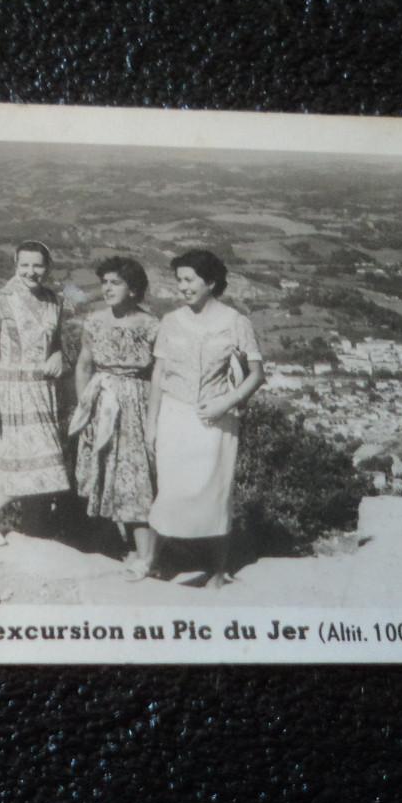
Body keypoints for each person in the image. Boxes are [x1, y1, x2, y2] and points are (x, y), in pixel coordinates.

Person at [138, 249, 265, 588]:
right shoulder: (170, 321)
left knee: (215, 494)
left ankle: (219, 571)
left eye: (189, 279)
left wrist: (227, 402)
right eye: (179, 280)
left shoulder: (236, 323)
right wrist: (151, 424)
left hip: (215, 422)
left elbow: (256, 374)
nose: (182, 287)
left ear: (210, 282)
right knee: (168, 492)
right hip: (175, 416)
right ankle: (149, 561)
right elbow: (158, 375)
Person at [0, 241, 69, 546]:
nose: (31, 271)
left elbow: (55, 346)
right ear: (15, 265)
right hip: (11, 391)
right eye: (24, 265)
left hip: (44, 392)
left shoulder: (54, 300)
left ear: (47, 267)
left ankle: (33, 537)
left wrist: (59, 357)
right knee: (34, 465)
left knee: (40, 466)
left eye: (38, 265)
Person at [72, 256, 159, 569]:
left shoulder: (151, 326)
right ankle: (110, 546)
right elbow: (83, 365)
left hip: (136, 405)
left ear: (133, 289)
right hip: (100, 402)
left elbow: (159, 375)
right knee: (102, 471)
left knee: (137, 478)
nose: (107, 288)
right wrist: (86, 408)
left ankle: (147, 556)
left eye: (115, 283)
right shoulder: (94, 321)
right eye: (104, 283)